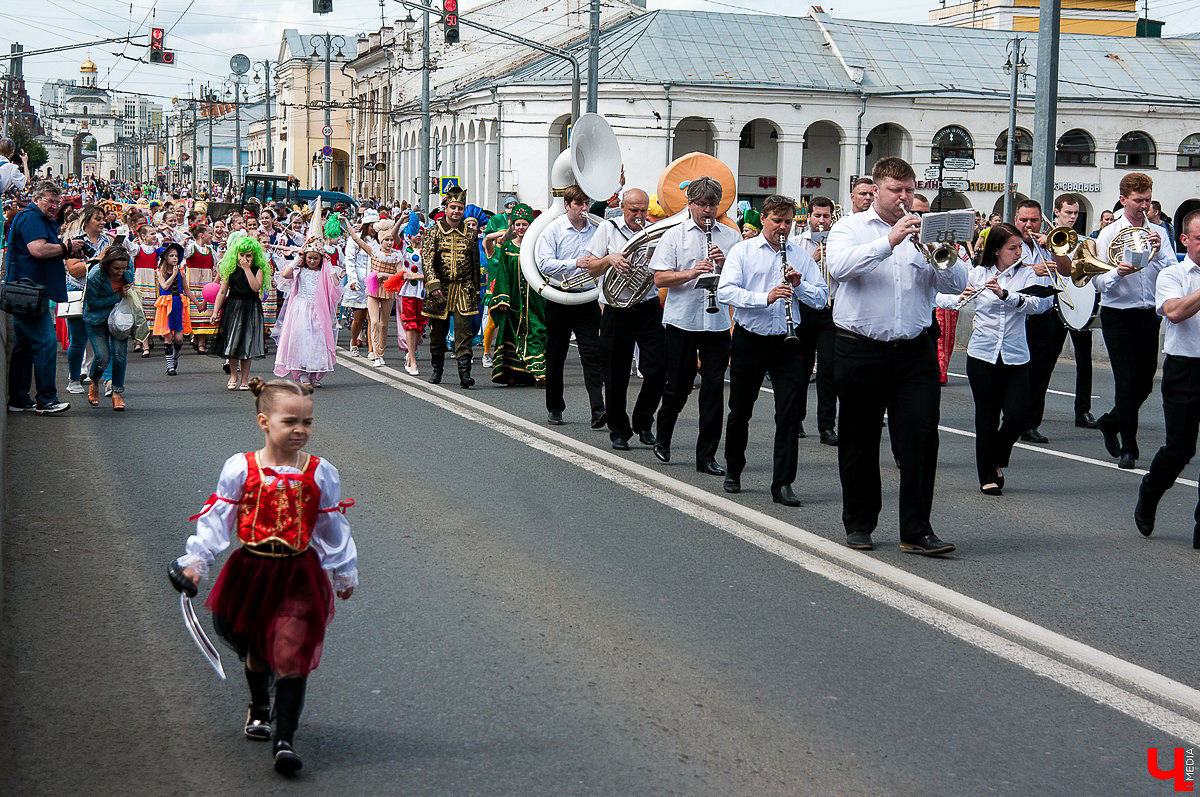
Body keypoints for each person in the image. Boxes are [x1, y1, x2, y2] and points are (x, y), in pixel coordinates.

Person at [170, 377, 358, 775]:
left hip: (298, 574)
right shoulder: (242, 468)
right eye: (290, 421)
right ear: (263, 421)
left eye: (307, 422)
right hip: (251, 571)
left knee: (291, 655)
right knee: (257, 650)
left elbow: (331, 527)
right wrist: (195, 562)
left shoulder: (320, 472)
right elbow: (217, 520)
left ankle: (285, 739)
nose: (300, 430)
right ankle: (259, 705)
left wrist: (343, 570)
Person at [826, 157, 968, 555]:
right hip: (860, 347)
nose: (905, 198)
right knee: (859, 438)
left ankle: (917, 529)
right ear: (876, 190)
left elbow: (957, 284)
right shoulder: (850, 228)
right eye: (896, 191)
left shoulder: (923, 232)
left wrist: (944, 253)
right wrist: (889, 241)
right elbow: (840, 268)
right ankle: (859, 523)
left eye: (909, 190)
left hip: (914, 349)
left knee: (921, 439)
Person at [718, 194, 828, 505]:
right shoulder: (743, 251)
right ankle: (734, 469)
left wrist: (799, 284)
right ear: (763, 219)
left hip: (788, 342)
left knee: (789, 414)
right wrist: (764, 297)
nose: (783, 228)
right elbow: (726, 290)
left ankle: (782, 483)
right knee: (741, 410)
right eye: (777, 221)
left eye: (788, 222)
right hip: (750, 339)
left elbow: (820, 298)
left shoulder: (800, 255)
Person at [649, 176, 741, 475]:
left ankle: (707, 456)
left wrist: (724, 263)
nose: (708, 211)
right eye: (702, 205)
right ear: (689, 205)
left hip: (716, 323)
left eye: (713, 205)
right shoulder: (675, 236)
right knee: (677, 387)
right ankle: (663, 437)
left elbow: (742, 279)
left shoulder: (730, 236)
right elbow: (660, 278)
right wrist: (691, 273)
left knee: (714, 391)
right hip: (682, 321)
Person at [957, 223, 1053, 495]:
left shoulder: (1027, 275)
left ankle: (997, 455)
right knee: (986, 416)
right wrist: (959, 294)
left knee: (1016, 416)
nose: (1018, 252)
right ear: (997, 250)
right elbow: (951, 297)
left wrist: (1006, 295)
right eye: (1013, 248)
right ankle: (986, 473)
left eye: (1020, 247)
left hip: (1015, 353)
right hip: (982, 353)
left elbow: (1039, 305)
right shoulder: (977, 274)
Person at [1092, 173, 1178, 469]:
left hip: (1147, 314)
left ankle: (1110, 420)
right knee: (1126, 382)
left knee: (1144, 384)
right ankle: (1129, 447)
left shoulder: (1160, 232)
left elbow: (1173, 272)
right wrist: (1119, 273)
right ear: (1123, 200)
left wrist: (1157, 252)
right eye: (1138, 200)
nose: (1144, 206)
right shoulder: (1108, 234)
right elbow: (1098, 282)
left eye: (1147, 200)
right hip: (1117, 314)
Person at [1135, 210, 1200, 546]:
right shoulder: (1173, 275)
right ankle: (1151, 490)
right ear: (1185, 240)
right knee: (1180, 448)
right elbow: (1175, 313)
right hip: (1185, 368)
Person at [584, 188, 665, 450]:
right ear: (622, 206)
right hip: (616, 310)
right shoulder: (608, 229)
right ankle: (619, 430)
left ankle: (643, 421)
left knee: (658, 369)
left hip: (647, 306)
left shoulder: (654, 232)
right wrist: (610, 259)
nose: (639, 216)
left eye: (643, 210)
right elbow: (590, 266)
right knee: (615, 373)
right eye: (634, 211)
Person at [6, 180, 81, 415]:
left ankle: (19, 399)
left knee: (25, 346)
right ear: (37, 199)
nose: (54, 206)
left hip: (25, 290)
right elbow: (37, 249)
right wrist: (66, 248)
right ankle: (46, 400)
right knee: (46, 343)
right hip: (29, 292)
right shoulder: (31, 218)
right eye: (50, 201)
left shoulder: (33, 217)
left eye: (57, 202)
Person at [535, 184, 605, 423]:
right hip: (559, 297)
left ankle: (598, 409)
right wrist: (576, 263)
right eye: (579, 204)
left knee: (591, 353)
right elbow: (544, 263)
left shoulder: (597, 228)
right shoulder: (554, 229)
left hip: (586, 297)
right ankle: (555, 408)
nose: (585, 209)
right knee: (556, 354)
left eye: (587, 203)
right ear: (567, 205)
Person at [1012, 198, 1075, 444]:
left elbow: (1067, 270)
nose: (1028, 225)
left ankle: (1030, 423)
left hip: (1043, 313)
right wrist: (1031, 269)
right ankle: (1013, 417)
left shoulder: (1049, 242)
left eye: (1033, 220)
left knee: (1041, 370)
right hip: (1016, 313)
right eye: (1024, 220)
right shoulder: (1008, 242)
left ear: (1041, 220)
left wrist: (1054, 248)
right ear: (1016, 220)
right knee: (1016, 371)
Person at [422, 187, 481, 388]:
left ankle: (465, 374)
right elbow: (427, 261)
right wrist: (433, 284)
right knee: (438, 333)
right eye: (453, 207)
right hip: (440, 288)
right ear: (446, 208)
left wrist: (475, 288)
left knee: (464, 332)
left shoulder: (471, 234)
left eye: (460, 208)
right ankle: (437, 369)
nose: (456, 211)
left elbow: (475, 262)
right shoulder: (433, 232)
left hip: (464, 288)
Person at [794, 196, 840, 443]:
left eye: (826, 217)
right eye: (817, 216)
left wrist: (832, 259)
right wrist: (812, 261)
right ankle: (797, 419)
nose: (821, 221)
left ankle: (826, 426)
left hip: (830, 309)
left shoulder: (839, 243)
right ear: (809, 217)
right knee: (800, 368)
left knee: (828, 369)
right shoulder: (796, 243)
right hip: (804, 308)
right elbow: (788, 275)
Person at [483, 203, 545, 385]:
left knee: (537, 331)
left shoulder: (536, 246)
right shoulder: (508, 248)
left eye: (524, 224)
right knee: (512, 334)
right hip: (514, 300)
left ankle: (537, 372)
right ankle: (512, 373)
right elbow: (502, 273)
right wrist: (503, 297)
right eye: (518, 225)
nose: (521, 228)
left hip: (535, 300)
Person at [273, 244, 342, 387]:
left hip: (318, 309)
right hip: (301, 308)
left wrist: (328, 263)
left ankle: (313, 373)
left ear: (321, 259)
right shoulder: (300, 270)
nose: (312, 261)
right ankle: (303, 372)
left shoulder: (323, 272)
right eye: (309, 258)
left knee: (317, 340)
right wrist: (298, 258)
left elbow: (335, 283)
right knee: (302, 339)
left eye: (316, 258)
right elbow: (285, 274)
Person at [209, 235, 271, 390]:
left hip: (251, 307)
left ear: (254, 255)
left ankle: (244, 379)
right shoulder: (230, 269)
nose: (244, 258)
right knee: (232, 343)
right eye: (242, 255)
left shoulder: (259, 269)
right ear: (235, 254)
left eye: (248, 255)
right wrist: (215, 312)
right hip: (233, 306)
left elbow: (255, 287)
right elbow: (222, 292)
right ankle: (233, 376)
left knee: (247, 344)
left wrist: (247, 269)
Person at [82, 246, 135, 410]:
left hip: (120, 319)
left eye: (124, 268)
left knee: (119, 354)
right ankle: (94, 380)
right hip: (96, 318)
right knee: (103, 356)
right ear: (107, 265)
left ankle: (117, 392)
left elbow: (131, 283)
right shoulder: (95, 275)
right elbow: (92, 303)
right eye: (116, 268)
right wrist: (117, 296)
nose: (120, 272)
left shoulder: (128, 270)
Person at [345, 219, 402, 368]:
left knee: (383, 324)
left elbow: (400, 274)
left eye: (391, 240)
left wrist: (384, 274)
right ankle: (376, 354)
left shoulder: (396, 256)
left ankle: (381, 353)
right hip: (373, 289)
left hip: (388, 290)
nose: (389, 243)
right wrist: (346, 221)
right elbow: (356, 238)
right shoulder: (373, 251)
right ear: (381, 240)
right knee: (374, 322)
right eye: (386, 240)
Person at [153, 242, 204, 376]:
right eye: (171, 256)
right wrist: (174, 275)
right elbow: (164, 287)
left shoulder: (181, 272)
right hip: (166, 305)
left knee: (179, 338)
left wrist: (197, 303)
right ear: (165, 258)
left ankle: (175, 356)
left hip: (178, 304)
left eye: (176, 256)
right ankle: (170, 365)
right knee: (168, 336)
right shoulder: (160, 272)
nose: (175, 258)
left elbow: (186, 290)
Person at [341, 210, 378, 356]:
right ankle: (353, 340)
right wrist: (352, 280)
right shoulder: (354, 240)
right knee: (358, 318)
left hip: (374, 284)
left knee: (372, 319)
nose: (374, 229)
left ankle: (371, 350)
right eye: (371, 226)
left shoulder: (379, 241)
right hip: (359, 283)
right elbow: (349, 261)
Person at [184, 225, 218, 354]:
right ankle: (195, 337)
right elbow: (185, 255)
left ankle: (202, 342)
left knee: (205, 314)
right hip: (193, 284)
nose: (212, 236)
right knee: (193, 314)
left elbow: (217, 265)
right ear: (201, 235)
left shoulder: (211, 250)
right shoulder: (192, 247)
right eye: (210, 233)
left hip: (206, 286)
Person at [131, 223, 161, 356]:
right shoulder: (138, 249)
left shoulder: (156, 250)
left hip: (153, 283)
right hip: (140, 283)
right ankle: (144, 344)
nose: (155, 236)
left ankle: (147, 338)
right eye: (152, 234)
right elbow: (127, 247)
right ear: (143, 236)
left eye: (155, 233)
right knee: (141, 312)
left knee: (151, 312)